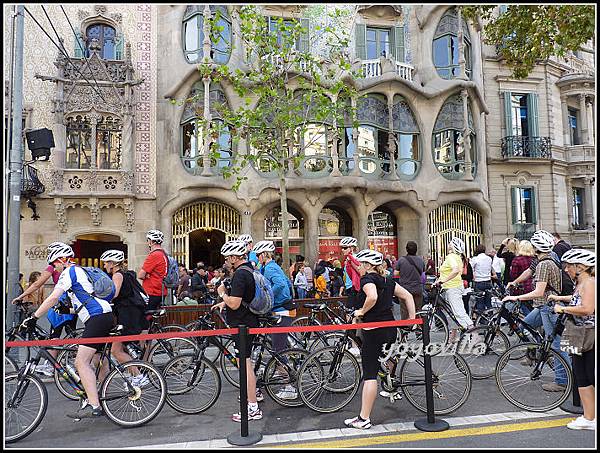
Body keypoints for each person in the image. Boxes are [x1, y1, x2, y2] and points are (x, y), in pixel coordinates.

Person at [20, 243, 114, 419]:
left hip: (97, 317)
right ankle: (103, 397)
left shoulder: (69, 272)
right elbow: (84, 302)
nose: (54, 268)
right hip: (103, 314)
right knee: (97, 360)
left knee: (81, 362)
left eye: (54, 264)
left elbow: (53, 297)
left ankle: (94, 406)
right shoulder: (80, 272)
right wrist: (66, 311)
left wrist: (33, 318)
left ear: (62, 260)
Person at [344, 249, 416, 429]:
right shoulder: (388, 280)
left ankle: (364, 418)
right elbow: (407, 296)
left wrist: (361, 311)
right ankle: (391, 383)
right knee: (386, 358)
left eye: (360, 264)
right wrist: (411, 320)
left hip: (374, 331)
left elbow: (373, 296)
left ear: (368, 266)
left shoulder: (367, 279)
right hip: (389, 328)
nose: (358, 267)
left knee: (369, 374)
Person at [502, 229, 571, 392]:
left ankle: (562, 380)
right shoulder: (547, 259)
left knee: (556, 344)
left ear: (536, 247)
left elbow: (539, 291)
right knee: (525, 326)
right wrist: (515, 283)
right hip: (542, 307)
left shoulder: (544, 264)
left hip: (548, 308)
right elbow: (529, 273)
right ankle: (538, 352)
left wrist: (515, 298)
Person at [212, 240, 262, 422]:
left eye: (227, 258)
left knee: (245, 365)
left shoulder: (240, 274)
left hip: (243, 325)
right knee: (245, 364)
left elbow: (236, 302)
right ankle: (252, 399)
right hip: (247, 321)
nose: (226, 261)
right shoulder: (249, 269)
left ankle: (253, 407)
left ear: (234, 257)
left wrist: (222, 293)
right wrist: (225, 301)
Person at [12, 242, 79, 376]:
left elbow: (38, 284)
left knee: (55, 333)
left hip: (62, 301)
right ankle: (73, 360)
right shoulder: (74, 266)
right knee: (71, 333)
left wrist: (21, 296)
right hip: (74, 302)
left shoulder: (53, 266)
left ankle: (50, 365)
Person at [549, 249, 595, 431]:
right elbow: (578, 299)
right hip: (581, 336)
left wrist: (563, 309)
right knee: (582, 377)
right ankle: (589, 417)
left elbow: (587, 308)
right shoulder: (581, 283)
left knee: (590, 375)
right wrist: (561, 298)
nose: (566, 269)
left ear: (581, 267)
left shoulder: (590, 282)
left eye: (569, 266)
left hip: (590, 336)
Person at [253, 240, 298, 400]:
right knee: (278, 349)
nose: (258, 257)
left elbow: (281, 285)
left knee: (279, 352)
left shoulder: (270, 267)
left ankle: (289, 387)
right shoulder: (269, 267)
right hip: (281, 310)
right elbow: (286, 282)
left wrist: (267, 297)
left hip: (281, 312)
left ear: (265, 254)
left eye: (259, 255)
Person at [100, 249, 149, 384]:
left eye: (106, 263)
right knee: (122, 347)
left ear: (113, 263)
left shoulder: (117, 275)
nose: (104, 266)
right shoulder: (128, 274)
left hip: (126, 315)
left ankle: (138, 376)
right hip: (132, 314)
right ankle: (133, 373)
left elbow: (114, 294)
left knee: (116, 351)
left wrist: (99, 298)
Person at [434, 237, 476, 343]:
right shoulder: (457, 257)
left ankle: (475, 336)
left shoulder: (451, 257)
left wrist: (442, 280)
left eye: (450, 243)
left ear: (453, 246)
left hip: (452, 288)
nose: (448, 244)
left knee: (459, 313)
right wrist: (438, 281)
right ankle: (456, 336)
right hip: (453, 287)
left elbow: (455, 270)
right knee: (456, 313)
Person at [393, 241, 425, 321]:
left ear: (406, 249)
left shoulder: (401, 260)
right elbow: (422, 272)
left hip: (405, 289)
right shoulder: (421, 260)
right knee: (418, 309)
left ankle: (405, 329)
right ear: (416, 250)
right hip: (418, 288)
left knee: (405, 310)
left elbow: (395, 273)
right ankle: (418, 328)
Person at [138, 229, 168, 311]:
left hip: (152, 291)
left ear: (151, 241)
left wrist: (147, 275)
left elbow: (140, 275)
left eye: (148, 240)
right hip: (160, 290)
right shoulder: (163, 254)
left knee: (145, 316)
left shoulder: (154, 255)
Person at [509, 240, 536, 315]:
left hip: (521, 288)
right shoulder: (535, 259)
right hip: (534, 287)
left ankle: (529, 324)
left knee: (524, 307)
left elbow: (513, 275)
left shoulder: (517, 260)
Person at [470, 244, 496, 316]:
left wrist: (473, 276)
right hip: (488, 281)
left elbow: (470, 269)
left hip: (479, 282)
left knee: (480, 302)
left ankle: (482, 319)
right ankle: (491, 317)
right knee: (488, 301)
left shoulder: (475, 259)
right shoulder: (489, 258)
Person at [340, 237, 361, 309]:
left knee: (350, 311)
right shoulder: (348, 258)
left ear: (351, 248)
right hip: (350, 287)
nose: (342, 250)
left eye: (345, 248)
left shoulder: (352, 258)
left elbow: (360, 272)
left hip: (354, 288)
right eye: (342, 248)